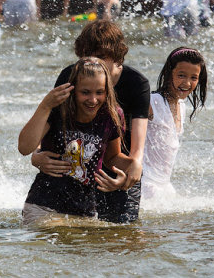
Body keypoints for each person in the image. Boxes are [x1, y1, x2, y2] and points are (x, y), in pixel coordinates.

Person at [32, 21, 150, 223]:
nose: (94, 63)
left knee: (122, 231)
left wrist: (134, 167)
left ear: (117, 56)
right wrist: (37, 154)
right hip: (80, 164)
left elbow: (138, 142)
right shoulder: (72, 75)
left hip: (117, 164)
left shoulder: (136, 83)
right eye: (88, 56)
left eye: (102, 57)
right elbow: (50, 120)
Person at [19, 57, 137, 225]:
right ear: (73, 90)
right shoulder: (58, 110)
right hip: (44, 206)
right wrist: (45, 105)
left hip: (84, 211)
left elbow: (112, 157)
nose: (93, 99)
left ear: (107, 91)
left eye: (99, 92)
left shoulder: (112, 115)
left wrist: (131, 169)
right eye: (85, 92)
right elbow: (24, 147)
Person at [142, 47, 207, 200]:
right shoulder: (153, 102)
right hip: (146, 184)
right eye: (181, 75)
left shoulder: (181, 105)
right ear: (168, 73)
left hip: (165, 186)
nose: (187, 83)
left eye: (194, 78)